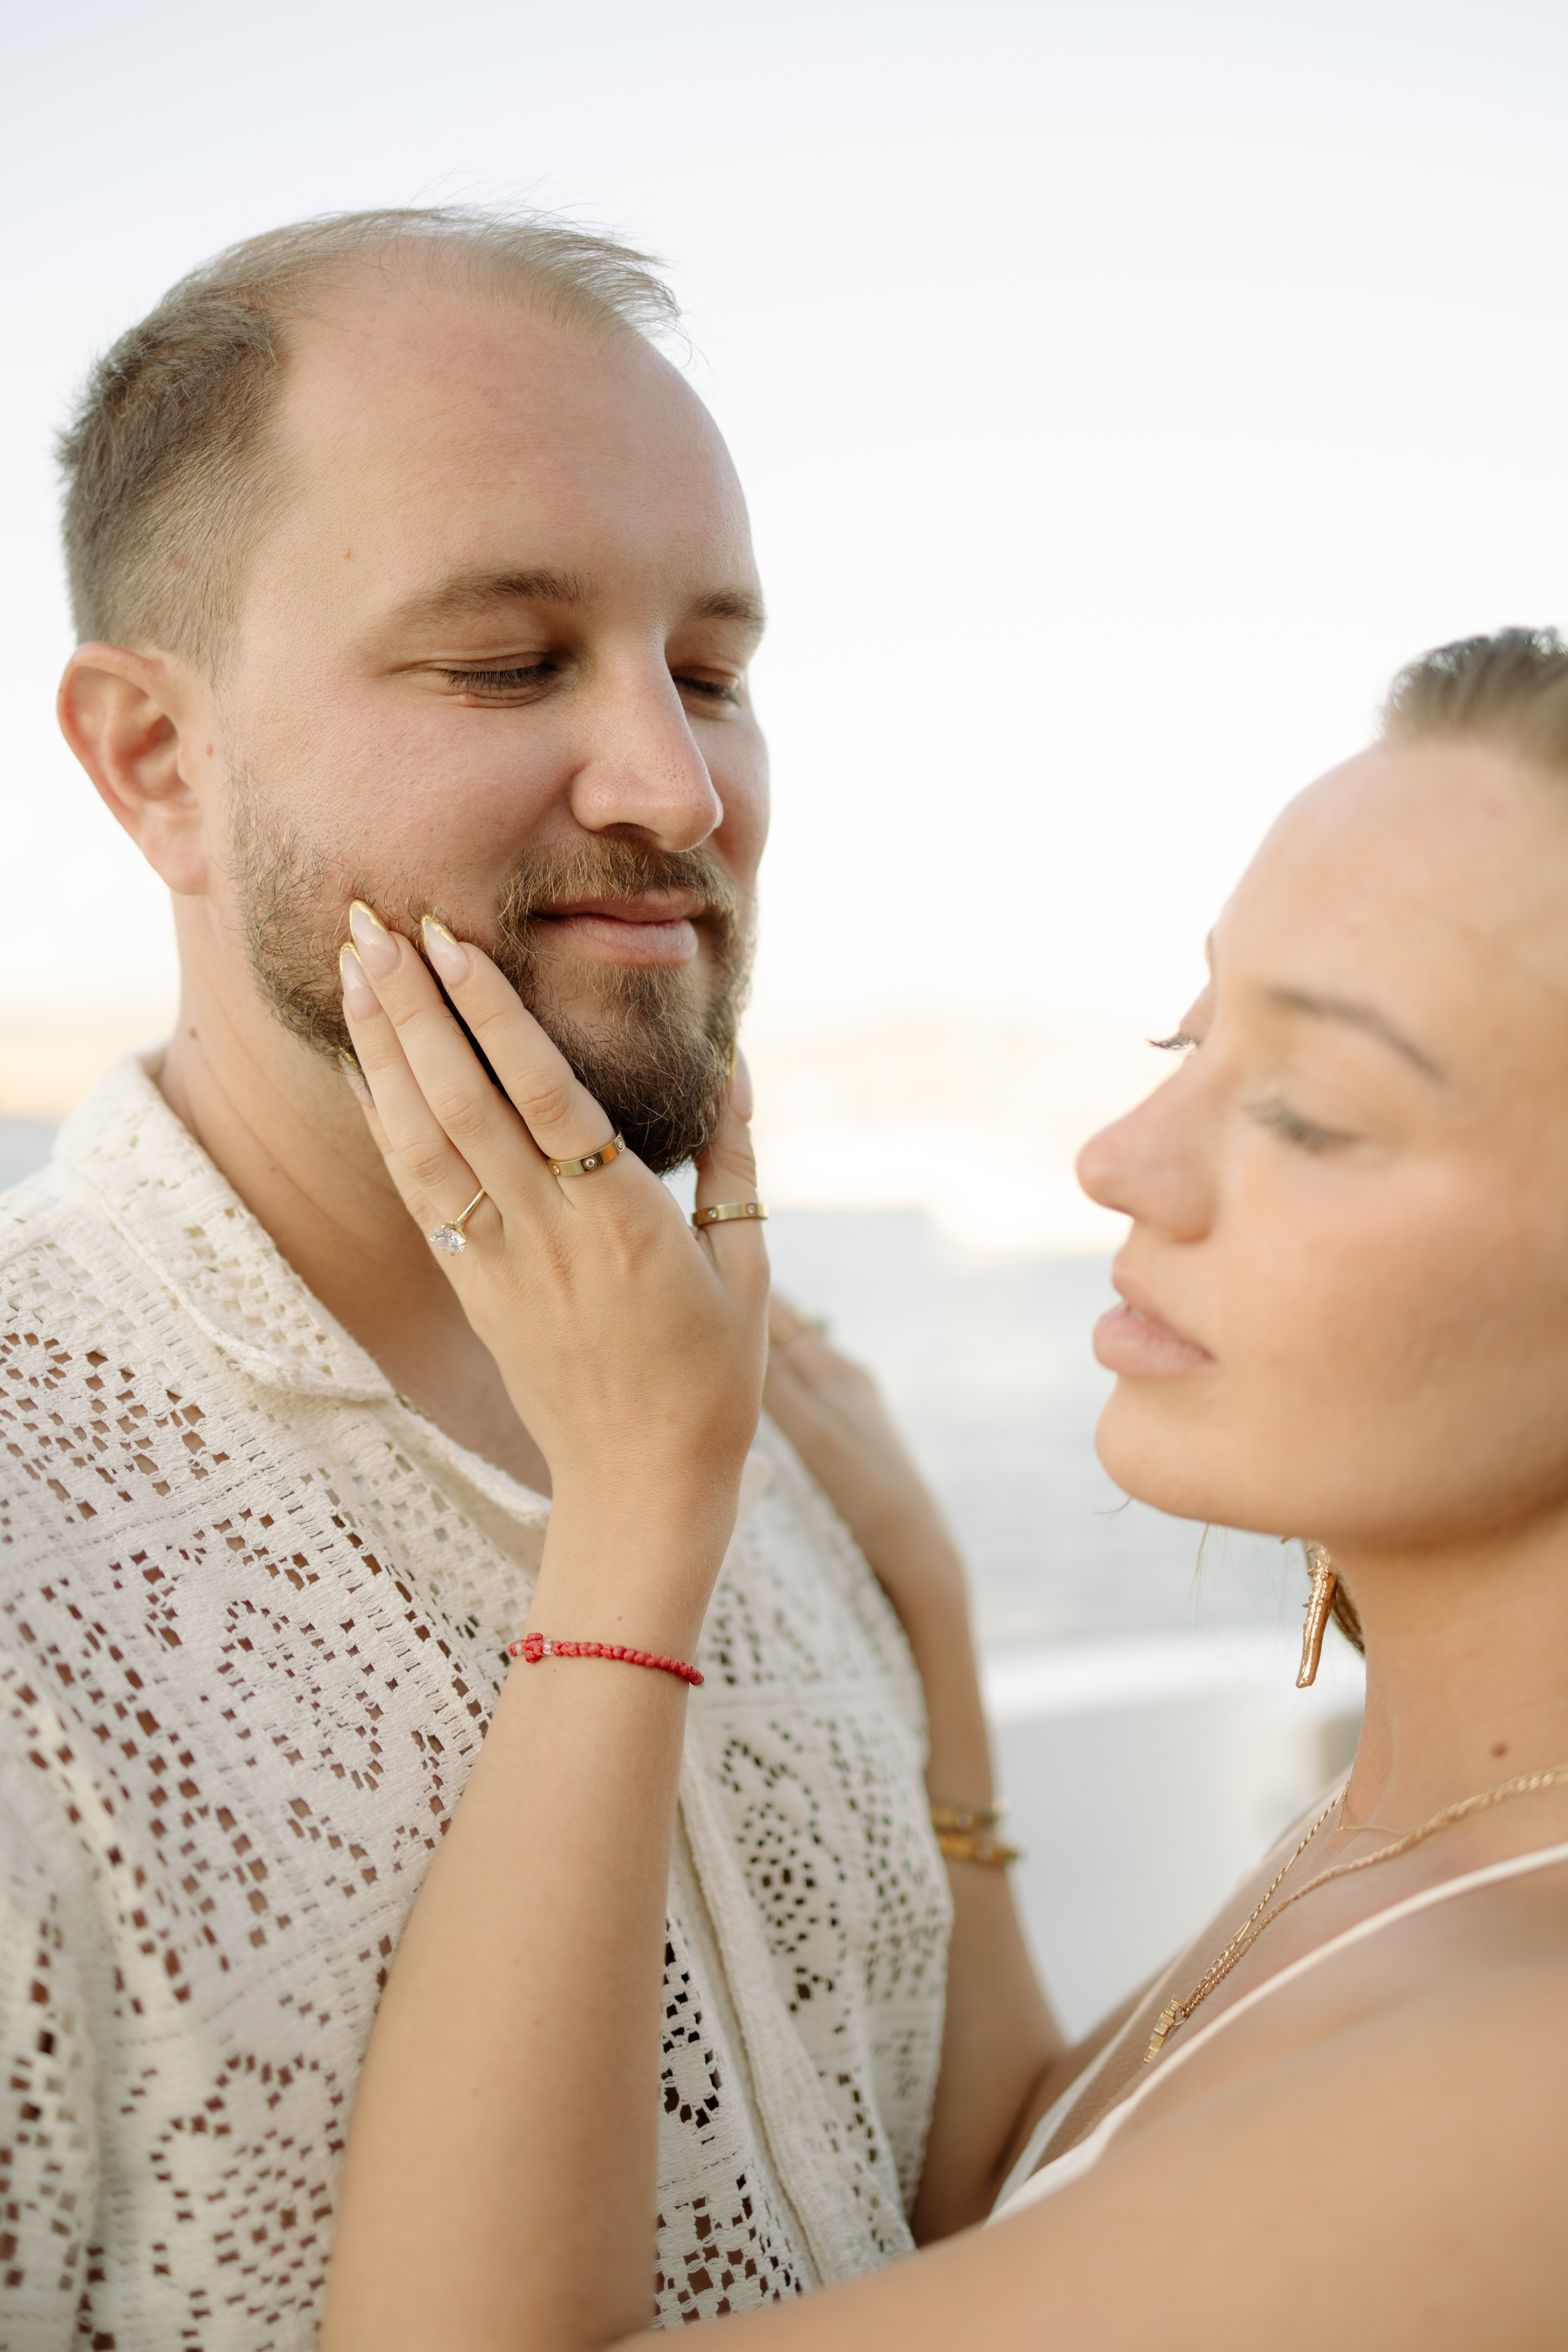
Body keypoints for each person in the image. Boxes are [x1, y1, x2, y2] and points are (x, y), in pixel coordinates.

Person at [0, 209, 1028, 2347]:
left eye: (712, 675)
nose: (678, 787)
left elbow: (954, 2220)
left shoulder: (776, 1437)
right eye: (504, 663)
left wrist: (929, 1627)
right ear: (159, 765)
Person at [315, 627, 1568, 2349]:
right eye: (1187, 1038)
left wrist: (636, 1510)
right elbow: (1032, 2192)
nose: (1119, 1161)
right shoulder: (1420, 1826)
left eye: (1308, 1110)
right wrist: (936, 1618)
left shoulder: (1518, 2095)